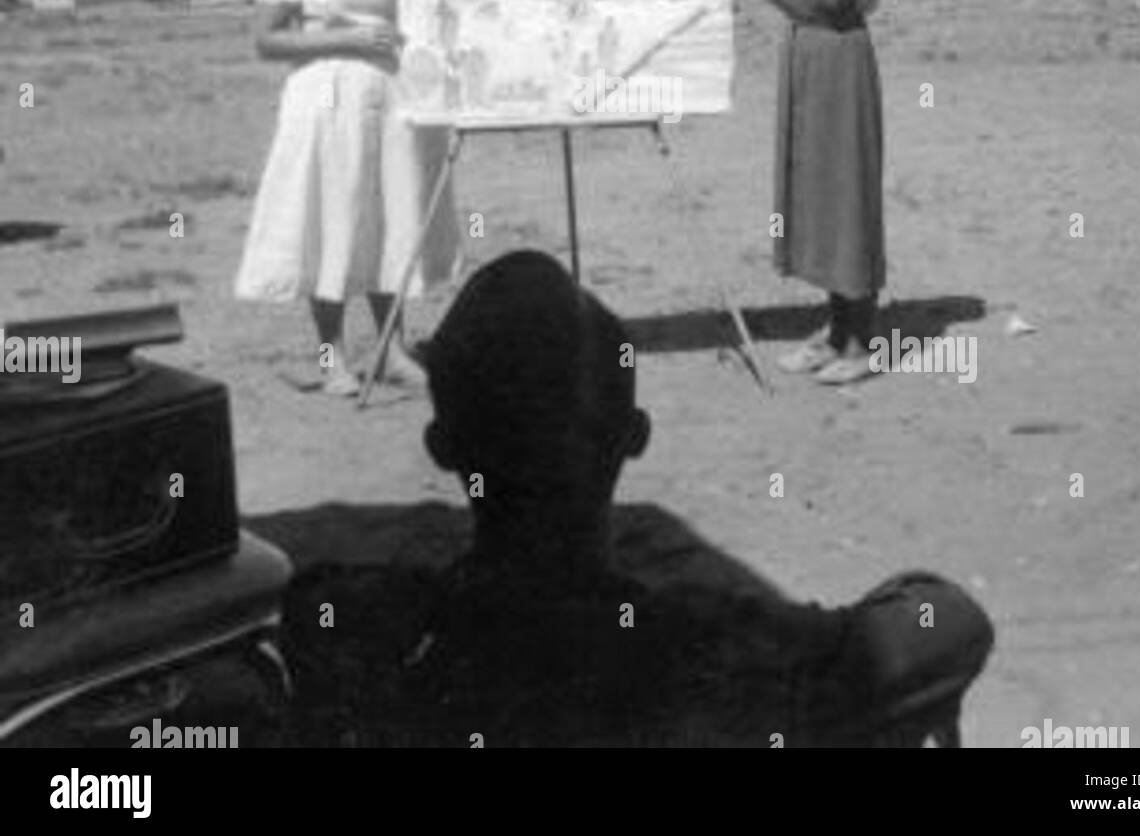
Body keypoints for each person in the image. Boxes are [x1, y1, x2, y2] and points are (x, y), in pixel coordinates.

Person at [283, 251, 993, 746]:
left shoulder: (365, 632)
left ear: (441, 448)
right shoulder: (697, 644)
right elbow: (949, 624)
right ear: (634, 438)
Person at [234, 0, 461, 395]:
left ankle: (390, 348)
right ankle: (331, 356)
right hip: (325, 97)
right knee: (335, 216)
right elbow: (266, 42)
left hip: (393, 91)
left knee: (393, 212)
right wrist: (348, 36)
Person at [770, 0, 894, 385]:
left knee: (847, 192)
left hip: (841, 56)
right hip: (803, 52)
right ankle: (836, 328)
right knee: (814, 190)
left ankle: (864, 341)